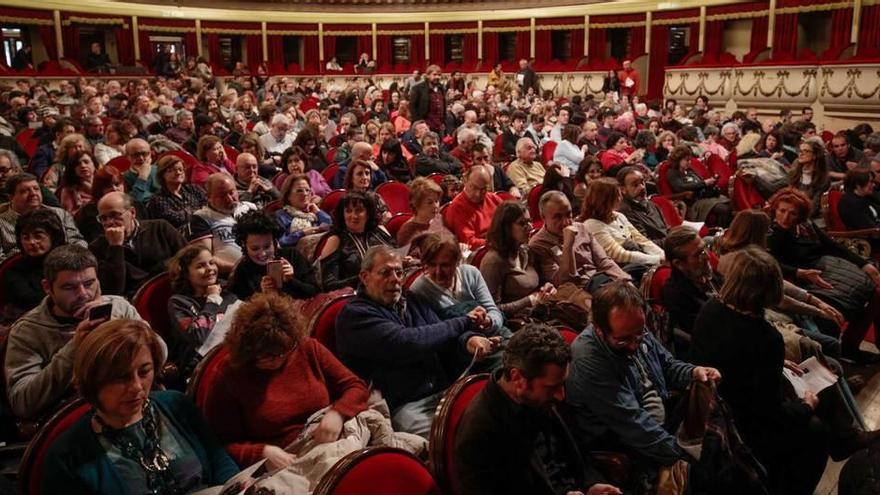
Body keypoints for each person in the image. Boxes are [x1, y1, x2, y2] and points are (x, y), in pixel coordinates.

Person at [689, 248, 831, 494]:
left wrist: (777, 364)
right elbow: (769, 411)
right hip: (740, 427)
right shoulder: (766, 338)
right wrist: (806, 406)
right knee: (816, 430)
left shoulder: (711, 308)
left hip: (710, 409)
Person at [41, 319, 239, 494]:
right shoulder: (66, 457)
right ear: (92, 381)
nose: (137, 387)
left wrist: (235, 487)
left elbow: (218, 460)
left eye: (144, 372)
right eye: (121, 377)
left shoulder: (177, 404)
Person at [566, 281, 721, 488]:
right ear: (599, 330)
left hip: (658, 423)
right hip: (626, 444)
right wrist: (684, 458)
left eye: (639, 334)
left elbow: (667, 364)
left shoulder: (633, 329)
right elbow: (632, 424)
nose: (633, 344)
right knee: (709, 474)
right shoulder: (589, 360)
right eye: (623, 341)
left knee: (720, 429)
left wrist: (693, 372)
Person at [336, 246, 496, 437]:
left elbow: (441, 332)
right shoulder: (355, 315)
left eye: (398, 272)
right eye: (385, 272)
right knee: (458, 442)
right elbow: (409, 342)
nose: (395, 279)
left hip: (442, 390)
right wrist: (465, 321)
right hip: (401, 405)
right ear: (364, 276)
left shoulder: (410, 300)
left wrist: (468, 342)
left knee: (494, 423)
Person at [203, 290, 368, 468]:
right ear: (248, 351)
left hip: (331, 438)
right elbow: (219, 446)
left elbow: (356, 386)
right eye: (267, 356)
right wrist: (262, 452)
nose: (278, 359)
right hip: (288, 460)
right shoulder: (228, 375)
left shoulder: (306, 348)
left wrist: (338, 413)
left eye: (284, 352)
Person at [455, 323, 621, 495]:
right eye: (553, 387)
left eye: (562, 384)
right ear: (518, 378)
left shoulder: (541, 398)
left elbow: (576, 453)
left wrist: (592, 485)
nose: (561, 395)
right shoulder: (479, 433)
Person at [4, 245, 146, 420]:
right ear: (48, 287)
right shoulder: (27, 331)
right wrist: (75, 347)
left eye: (89, 284)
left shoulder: (119, 307)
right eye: (69, 287)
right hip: (78, 418)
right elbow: (23, 402)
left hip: (133, 405)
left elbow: (160, 354)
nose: (83, 294)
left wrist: (118, 329)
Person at [766, 187, 880, 364]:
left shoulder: (806, 225)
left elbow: (832, 246)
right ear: (775, 209)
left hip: (826, 268)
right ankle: (833, 360)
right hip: (800, 280)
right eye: (782, 211)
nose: (785, 218)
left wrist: (863, 264)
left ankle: (850, 347)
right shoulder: (771, 232)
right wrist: (798, 272)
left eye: (792, 214)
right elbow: (769, 263)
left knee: (874, 292)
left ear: (800, 216)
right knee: (830, 318)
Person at [529, 191, 630, 291]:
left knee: (639, 272)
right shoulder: (538, 244)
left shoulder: (581, 227)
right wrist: (568, 245)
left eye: (569, 214)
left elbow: (604, 261)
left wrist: (625, 281)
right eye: (558, 217)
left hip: (601, 279)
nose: (566, 222)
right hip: (580, 290)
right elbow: (563, 282)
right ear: (543, 217)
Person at [90, 191, 186, 297]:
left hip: (175, 290)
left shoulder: (160, 228)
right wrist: (115, 247)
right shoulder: (97, 248)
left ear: (132, 212)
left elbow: (188, 258)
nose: (109, 222)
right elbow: (113, 290)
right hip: (134, 303)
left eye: (115, 215)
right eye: (103, 218)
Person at [410, 234, 507, 337]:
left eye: (445, 265)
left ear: (457, 262)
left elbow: (493, 311)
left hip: (494, 333)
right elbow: (433, 333)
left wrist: (488, 321)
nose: (438, 272)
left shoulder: (470, 274)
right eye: (432, 265)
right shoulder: (419, 290)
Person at [167, 245, 239, 376]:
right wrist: (213, 299)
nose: (210, 269)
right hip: (198, 366)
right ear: (186, 273)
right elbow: (199, 336)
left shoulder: (227, 294)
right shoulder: (178, 303)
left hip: (232, 356)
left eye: (212, 263)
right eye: (200, 266)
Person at [481, 201, 556, 321]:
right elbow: (492, 310)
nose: (530, 227)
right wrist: (530, 300)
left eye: (530, 221)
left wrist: (546, 288)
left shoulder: (526, 251)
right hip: (515, 323)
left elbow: (540, 283)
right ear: (506, 228)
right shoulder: (493, 262)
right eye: (522, 223)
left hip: (539, 314)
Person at [580, 178, 664, 278]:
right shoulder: (591, 224)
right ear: (604, 200)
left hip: (641, 259)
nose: (620, 198)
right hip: (620, 270)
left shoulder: (619, 216)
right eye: (617, 196)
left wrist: (662, 255)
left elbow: (642, 240)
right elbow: (619, 255)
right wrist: (656, 259)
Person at [230, 210, 319, 301]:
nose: (263, 254)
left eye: (267, 246)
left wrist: (291, 281)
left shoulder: (292, 255)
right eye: (255, 249)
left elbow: (315, 292)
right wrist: (262, 295)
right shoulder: (243, 270)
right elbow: (241, 308)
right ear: (244, 246)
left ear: (275, 243)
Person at [317, 191, 395, 291]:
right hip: (359, 295)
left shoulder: (379, 231)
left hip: (392, 285)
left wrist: (404, 260)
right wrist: (366, 278)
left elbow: (397, 255)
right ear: (342, 214)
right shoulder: (335, 240)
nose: (354, 216)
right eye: (348, 211)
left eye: (359, 211)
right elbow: (328, 285)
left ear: (368, 213)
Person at [0, 173, 85, 261]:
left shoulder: (60, 214)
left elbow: (77, 241)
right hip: (20, 269)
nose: (33, 193)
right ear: (11, 197)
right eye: (24, 191)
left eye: (36, 189)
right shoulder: (1, 222)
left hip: (63, 264)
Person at [189, 174, 259, 274]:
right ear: (208, 197)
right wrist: (240, 270)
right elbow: (204, 258)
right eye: (222, 195)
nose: (229, 199)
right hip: (230, 276)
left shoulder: (251, 208)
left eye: (231, 192)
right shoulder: (201, 217)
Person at [3, 209, 66, 319]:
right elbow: (28, 301)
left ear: (53, 236)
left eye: (38, 236)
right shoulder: (14, 269)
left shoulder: (69, 260)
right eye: (25, 237)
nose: (31, 242)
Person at [666, 145, 732, 227]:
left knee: (731, 205)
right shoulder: (672, 172)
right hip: (695, 201)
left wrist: (711, 182)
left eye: (690, 160)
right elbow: (680, 187)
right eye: (686, 160)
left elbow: (700, 182)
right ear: (678, 160)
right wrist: (704, 183)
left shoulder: (690, 171)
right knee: (724, 209)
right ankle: (720, 231)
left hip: (707, 197)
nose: (689, 162)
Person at [146, 155, 208, 233]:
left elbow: (209, 207)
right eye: (171, 170)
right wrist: (199, 212)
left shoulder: (194, 189)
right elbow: (176, 219)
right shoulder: (158, 199)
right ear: (162, 175)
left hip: (205, 227)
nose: (178, 173)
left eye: (180, 169)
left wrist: (189, 213)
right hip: (179, 236)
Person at [446, 165, 503, 249]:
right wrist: (499, 242)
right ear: (465, 181)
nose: (478, 194)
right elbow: (469, 242)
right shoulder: (457, 207)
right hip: (481, 252)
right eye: (474, 187)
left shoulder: (493, 199)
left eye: (483, 189)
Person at [274, 173, 332, 248]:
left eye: (307, 190)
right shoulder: (281, 215)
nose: (305, 194)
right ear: (288, 195)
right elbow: (280, 242)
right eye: (299, 191)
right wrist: (302, 233)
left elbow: (331, 226)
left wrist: (318, 212)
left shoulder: (315, 214)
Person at [617, 167, 669, 244]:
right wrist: (672, 241)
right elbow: (645, 244)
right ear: (623, 190)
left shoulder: (652, 205)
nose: (642, 187)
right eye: (635, 185)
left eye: (642, 182)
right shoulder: (625, 212)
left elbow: (666, 229)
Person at [396, 177, 450, 247]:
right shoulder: (407, 232)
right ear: (416, 205)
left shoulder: (438, 219)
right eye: (429, 202)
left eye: (436, 201)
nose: (435, 206)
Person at [839, 169, 880, 248]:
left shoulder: (865, 197)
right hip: (867, 242)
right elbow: (868, 228)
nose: (874, 185)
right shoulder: (850, 203)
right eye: (870, 182)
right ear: (858, 185)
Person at [789, 139, 831, 215]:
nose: (801, 154)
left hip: (806, 216)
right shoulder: (793, 173)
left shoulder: (823, 179)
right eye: (800, 151)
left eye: (806, 151)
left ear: (815, 155)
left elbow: (814, 208)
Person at [56, 151, 96, 216]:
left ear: (94, 165)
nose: (83, 166)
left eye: (86, 162)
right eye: (78, 164)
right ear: (73, 169)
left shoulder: (105, 183)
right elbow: (70, 215)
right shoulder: (68, 190)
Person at [410, 65, 446, 134]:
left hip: (439, 126)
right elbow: (412, 108)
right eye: (434, 75)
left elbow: (443, 107)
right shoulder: (418, 88)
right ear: (428, 75)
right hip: (425, 126)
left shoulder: (441, 88)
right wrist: (418, 124)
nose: (437, 77)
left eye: (439, 75)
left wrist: (443, 122)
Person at [122, 138, 161, 203]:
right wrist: (142, 177)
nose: (141, 158)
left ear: (150, 154)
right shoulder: (125, 178)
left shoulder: (160, 170)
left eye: (144, 153)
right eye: (136, 155)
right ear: (127, 157)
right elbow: (133, 201)